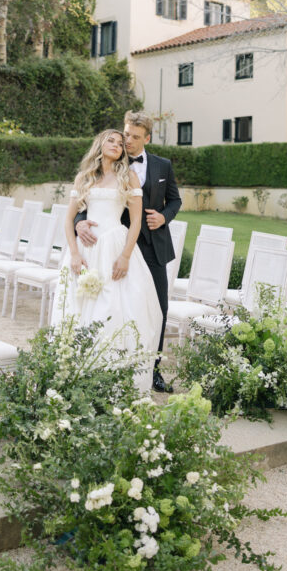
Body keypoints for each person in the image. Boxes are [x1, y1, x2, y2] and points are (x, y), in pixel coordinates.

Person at [75, 111, 182, 392]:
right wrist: (79, 223)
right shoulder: (109, 163)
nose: (128, 141)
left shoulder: (163, 166)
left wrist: (164, 217)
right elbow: (88, 202)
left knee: (157, 307)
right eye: (126, 135)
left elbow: (175, 200)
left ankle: (153, 369)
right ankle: (113, 366)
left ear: (147, 138)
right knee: (116, 306)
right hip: (117, 247)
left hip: (153, 246)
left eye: (135, 137)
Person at [52, 128, 164, 391]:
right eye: (110, 141)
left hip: (115, 245)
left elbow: (136, 221)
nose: (116, 145)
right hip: (87, 250)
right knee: (79, 308)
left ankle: (112, 379)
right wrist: (75, 253)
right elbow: (68, 219)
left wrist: (125, 256)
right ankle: (76, 375)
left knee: (114, 307)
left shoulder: (129, 177)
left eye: (120, 143)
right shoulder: (84, 177)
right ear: (100, 144)